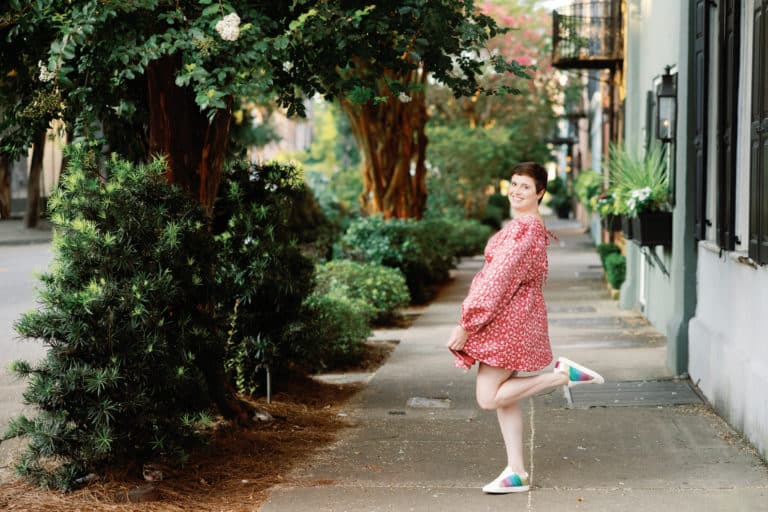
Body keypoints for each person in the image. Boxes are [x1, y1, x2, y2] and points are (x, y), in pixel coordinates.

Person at [446, 162, 604, 494]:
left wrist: (467, 322)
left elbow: (496, 280)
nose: (517, 191)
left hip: (508, 321)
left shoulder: (524, 229)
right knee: (506, 399)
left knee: (488, 398)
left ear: (540, 193)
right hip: (515, 317)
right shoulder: (526, 226)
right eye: (514, 184)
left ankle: (563, 376)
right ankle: (516, 472)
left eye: (526, 187)